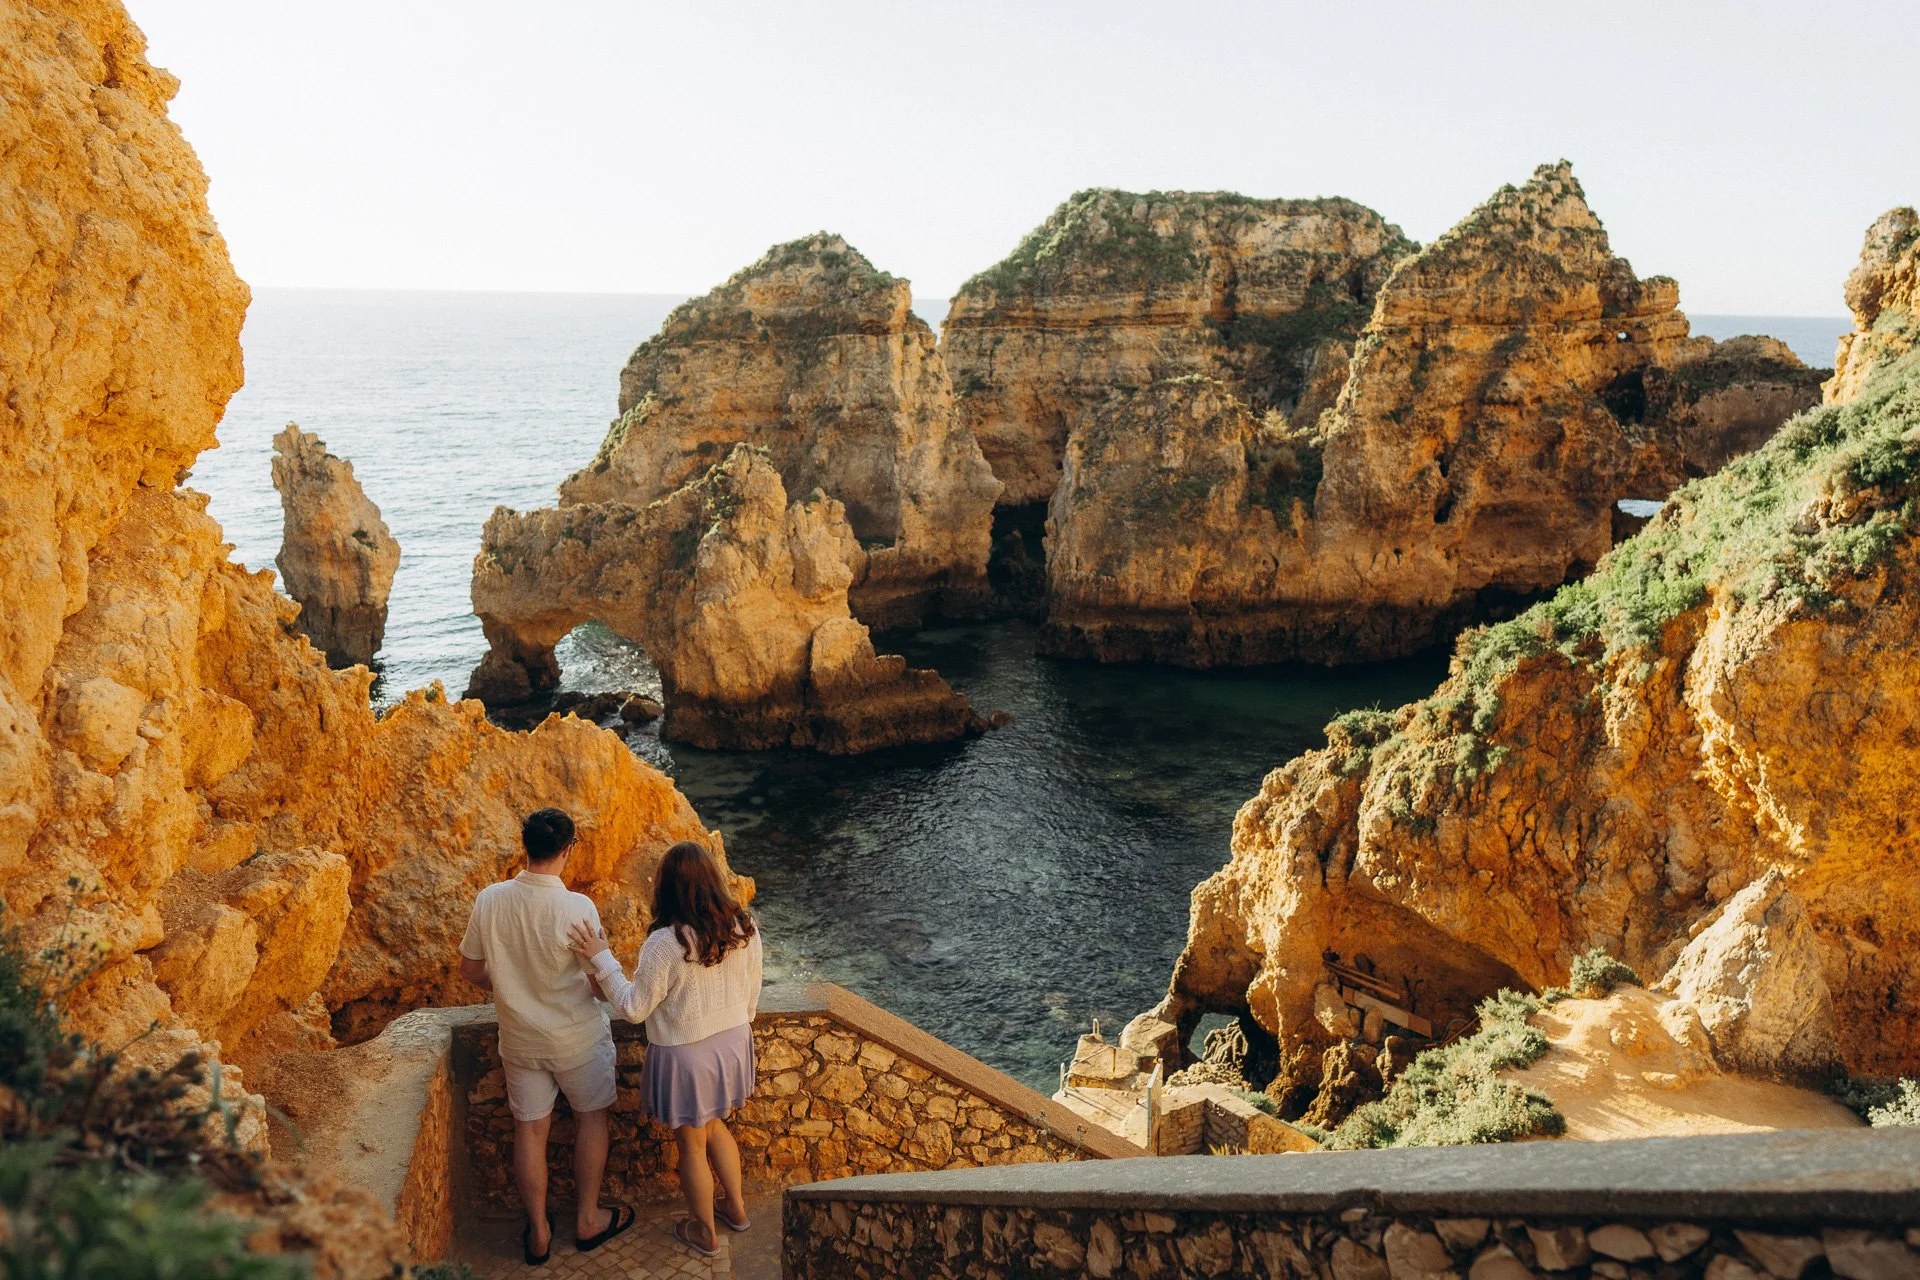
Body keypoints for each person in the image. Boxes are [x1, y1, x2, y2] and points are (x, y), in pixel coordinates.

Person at [567, 840, 761, 1259]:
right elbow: (752, 994)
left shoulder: (665, 942)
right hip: (732, 1042)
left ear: (666, 888)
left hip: (688, 1053)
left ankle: (706, 1233)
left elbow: (635, 1008)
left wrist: (602, 959)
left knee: (691, 1144)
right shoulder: (744, 925)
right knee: (714, 1126)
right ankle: (737, 1209)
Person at [459, 808, 635, 1265]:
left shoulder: (490, 899)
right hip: (576, 1038)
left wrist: (510, 988)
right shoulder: (577, 908)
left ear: (526, 846)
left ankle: (537, 1232)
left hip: (520, 1040)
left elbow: (471, 970)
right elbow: (598, 984)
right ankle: (588, 1219)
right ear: (568, 850)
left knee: (530, 1131)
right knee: (591, 1120)